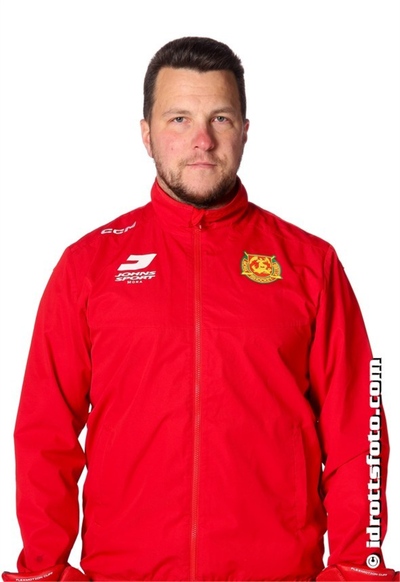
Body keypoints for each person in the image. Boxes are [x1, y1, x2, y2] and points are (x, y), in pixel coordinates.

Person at [2, 36, 399, 582]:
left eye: (221, 119)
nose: (202, 141)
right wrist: (44, 570)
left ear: (245, 130)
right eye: (179, 119)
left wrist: (359, 566)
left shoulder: (310, 264)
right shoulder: (88, 266)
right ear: (146, 134)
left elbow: (359, 428)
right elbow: (44, 432)